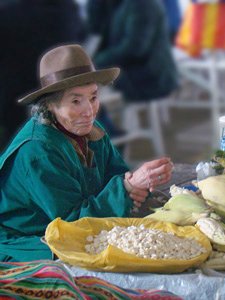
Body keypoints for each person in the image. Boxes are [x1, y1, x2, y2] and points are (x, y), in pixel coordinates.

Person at [0, 44, 174, 262]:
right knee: (75, 256)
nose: (89, 110)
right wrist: (127, 189)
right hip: (28, 237)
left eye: (93, 97)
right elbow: (71, 224)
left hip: (76, 223)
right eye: (75, 101)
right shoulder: (38, 151)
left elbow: (117, 176)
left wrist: (131, 186)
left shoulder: (92, 131)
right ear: (51, 106)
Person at [0, 0, 87, 151]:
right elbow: (81, 37)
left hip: (16, 100)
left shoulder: (7, 11)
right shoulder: (68, 8)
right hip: (61, 96)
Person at [86, 0, 178, 101]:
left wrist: (97, 61)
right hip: (138, 70)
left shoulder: (142, 4)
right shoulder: (121, 4)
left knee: (83, 87)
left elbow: (134, 48)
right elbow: (96, 29)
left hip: (149, 77)